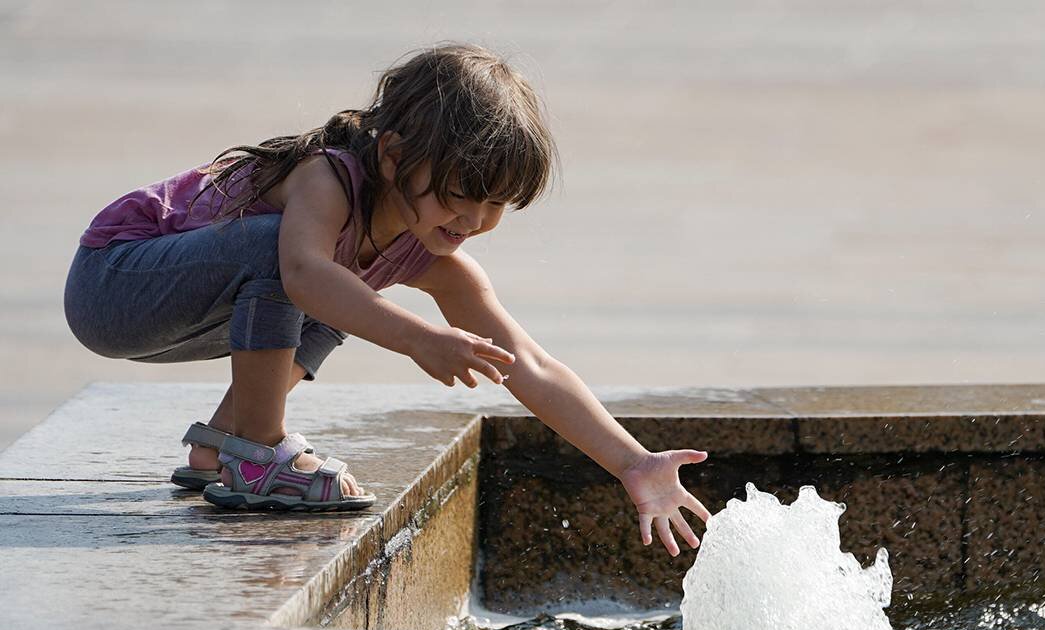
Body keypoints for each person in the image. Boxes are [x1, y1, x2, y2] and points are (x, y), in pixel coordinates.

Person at [63, 43, 710, 555]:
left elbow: (529, 364)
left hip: (185, 305)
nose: (476, 217)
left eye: (497, 202)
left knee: (349, 285)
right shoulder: (327, 178)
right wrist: (419, 338)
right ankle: (261, 452)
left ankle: (222, 446)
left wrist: (633, 460)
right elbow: (303, 273)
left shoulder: (433, 255)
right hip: (114, 280)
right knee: (303, 263)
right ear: (396, 157)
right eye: (462, 190)